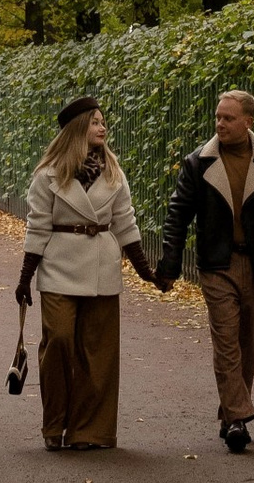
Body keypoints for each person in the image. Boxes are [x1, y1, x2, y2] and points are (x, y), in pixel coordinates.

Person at [155, 86, 254, 452]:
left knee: (249, 343)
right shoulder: (198, 163)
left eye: (228, 118)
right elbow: (178, 216)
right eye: (218, 117)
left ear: (248, 122)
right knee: (226, 341)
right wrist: (170, 265)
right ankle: (238, 418)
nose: (220, 123)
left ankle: (229, 413)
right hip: (217, 263)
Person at [16, 98, 160, 452]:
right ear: (78, 129)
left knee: (99, 353)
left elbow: (126, 223)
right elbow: (37, 226)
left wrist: (146, 272)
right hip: (58, 265)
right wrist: (24, 278)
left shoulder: (114, 173)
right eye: (95, 122)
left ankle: (90, 431)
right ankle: (54, 423)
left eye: (103, 122)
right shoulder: (47, 175)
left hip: (101, 267)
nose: (102, 127)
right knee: (60, 341)